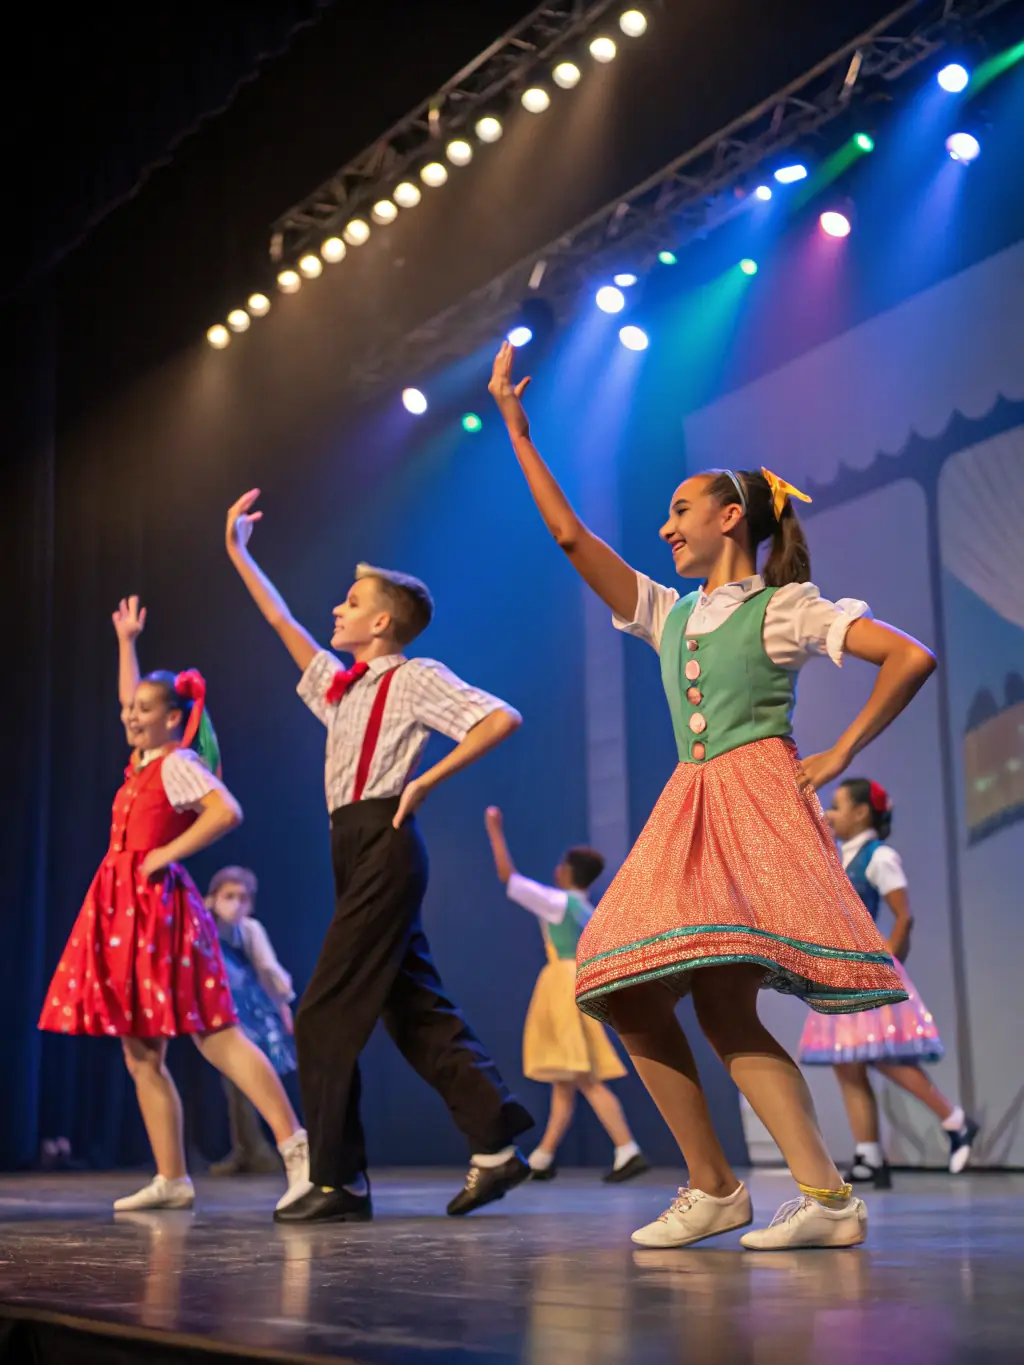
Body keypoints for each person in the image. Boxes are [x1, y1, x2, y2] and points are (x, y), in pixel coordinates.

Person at [488, 341, 936, 1251]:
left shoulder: (783, 605)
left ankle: (813, 1196)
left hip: (755, 804)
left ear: (731, 517)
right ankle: (727, 1186)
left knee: (724, 1004)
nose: (666, 527)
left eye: (681, 510)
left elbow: (910, 656)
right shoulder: (669, 610)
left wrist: (839, 750)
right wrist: (518, 431)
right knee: (617, 979)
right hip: (689, 807)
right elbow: (573, 537)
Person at [225, 490, 534, 1224]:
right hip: (352, 845)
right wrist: (239, 552)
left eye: (352, 600)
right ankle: (495, 1142)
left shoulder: (414, 675)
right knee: (412, 1007)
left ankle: (338, 1178)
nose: (337, 609)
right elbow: (283, 622)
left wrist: (425, 779)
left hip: (385, 842)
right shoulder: (341, 686)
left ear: (383, 622)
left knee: (324, 1011)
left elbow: (499, 716)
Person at [39, 597, 310, 1213]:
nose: (131, 717)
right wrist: (126, 643)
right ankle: (172, 1177)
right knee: (141, 1049)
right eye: (131, 710)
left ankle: (298, 1149)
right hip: (121, 910)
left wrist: (166, 854)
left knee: (215, 1033)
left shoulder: (179, 763)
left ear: (173, 719)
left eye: (144, 710)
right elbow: (127, 697)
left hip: (160, 910)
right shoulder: (142, 759)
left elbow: (227, 811)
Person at [799, 778, 979, 1184]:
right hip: (841, 968)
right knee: (847, 1062)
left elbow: (904, 914)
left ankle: (954, 1120)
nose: (829, 813)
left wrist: (888, 961)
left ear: (863, 813)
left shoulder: (879, 857)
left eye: (838, 806)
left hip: (868, 969)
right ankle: (869, 1155)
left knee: (882, 1055)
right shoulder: (840, 855)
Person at [484, 806, 648, 1182]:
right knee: (567, 1078)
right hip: (580, 981)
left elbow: (509, 878)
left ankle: (627, 1148)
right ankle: (543, 1156)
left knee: (583, 1075)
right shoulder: (587, 909)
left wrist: (494, 830)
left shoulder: (559, 903)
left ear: (567, 872)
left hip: (562, 984)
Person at [205, 865, 299, 1177]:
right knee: (233, 1085)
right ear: (213, 898)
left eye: (243, 898)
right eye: (229, 896)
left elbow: (268, 970)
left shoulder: (250, 930)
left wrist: (285, 1008)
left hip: (251, 1012)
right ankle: (246, 1149)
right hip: (217, 1010)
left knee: (246, 1080)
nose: (236, 904)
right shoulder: (203, 926)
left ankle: (257, 1151)